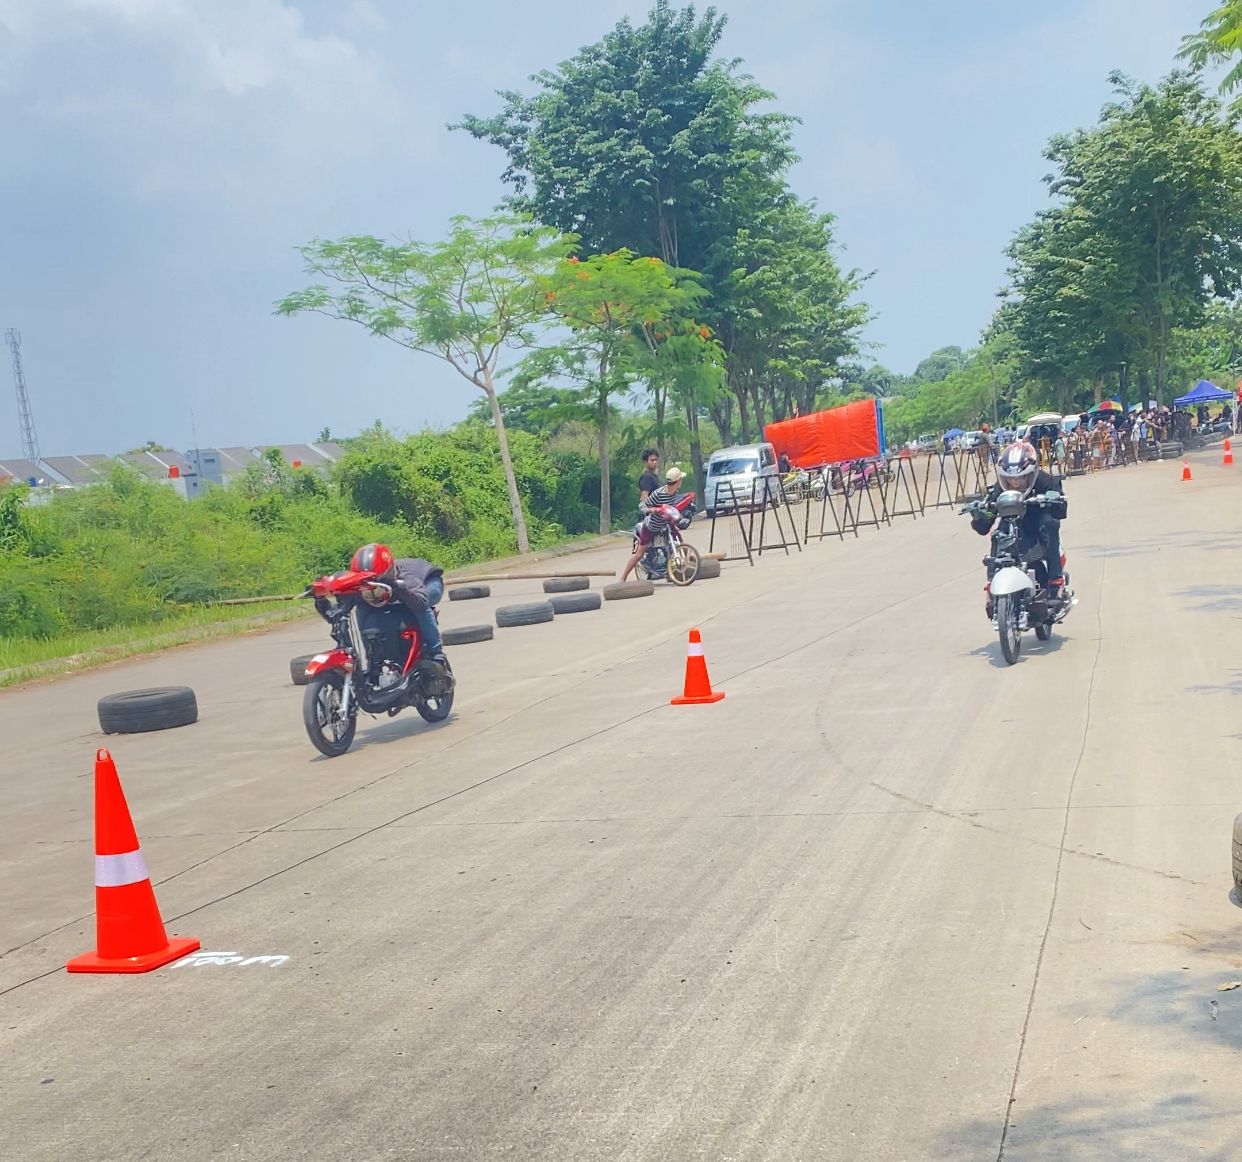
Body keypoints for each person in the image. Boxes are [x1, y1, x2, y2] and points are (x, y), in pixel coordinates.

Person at [969, 441, 1069, 607]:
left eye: (1020, 478)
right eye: (1010, 479)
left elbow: (1062, 510)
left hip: (1037, 526)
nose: (1015, 483)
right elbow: (984, 526)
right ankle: (992, 583)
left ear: (1031, 473)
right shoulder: (1000, 489)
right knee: (997, 535)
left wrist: (1053, 501)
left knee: (1049, 523)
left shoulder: (1045, 481)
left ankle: (1056, 581)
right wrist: (979, 515)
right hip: (1013, 527)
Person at [350, 543, 452, 685]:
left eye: (377, 584)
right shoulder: (361, 585)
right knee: (362, 609)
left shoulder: (405, 577)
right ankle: (371, 657)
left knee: (418, 607)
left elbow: (421, 602)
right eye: (367, 586)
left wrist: (398, 587)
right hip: (398, 589)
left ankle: (436, 653)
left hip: (428, 583)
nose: (372, 591)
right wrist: (321, 599)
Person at [620, 466, 684, 582]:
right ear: (678, 481)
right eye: (681, 480)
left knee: (677, 541)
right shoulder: (658, 494)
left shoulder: (675, 493)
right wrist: (652, 510)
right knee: (639, 553)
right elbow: (642, 505)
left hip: (666, 524)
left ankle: (673, 570)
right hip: (651, 526)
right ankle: (623, 577)